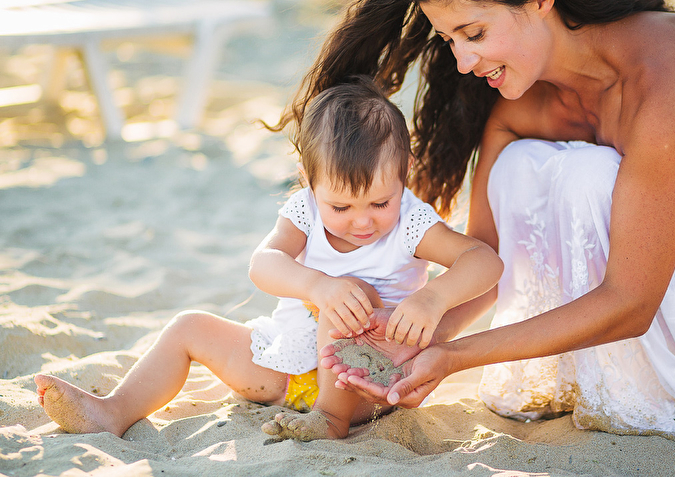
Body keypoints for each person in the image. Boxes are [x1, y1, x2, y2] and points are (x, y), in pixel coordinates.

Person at [272, 0, 675, 438]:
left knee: (588, 179)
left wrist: (457, 359)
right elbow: (489, 263)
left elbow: (632, 300)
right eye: (450, 40)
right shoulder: (521, 106)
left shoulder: (666, 71)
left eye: (475, 33)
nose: (462, 62)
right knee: (523, 166)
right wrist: (418, 340)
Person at [33, 77, 504, 441]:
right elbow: (264, 263)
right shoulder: (304, 211)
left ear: (404, 174)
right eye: (340, 207)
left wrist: (432, 298)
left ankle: (330, 421)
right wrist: (316, 285)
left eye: (380, 202)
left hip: (365, 383)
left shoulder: (411, 222)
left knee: (353, 297)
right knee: (188, 326)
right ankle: (114, 411)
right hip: (281, 366)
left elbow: (485, 262)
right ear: (308, 182)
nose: (362, 221)